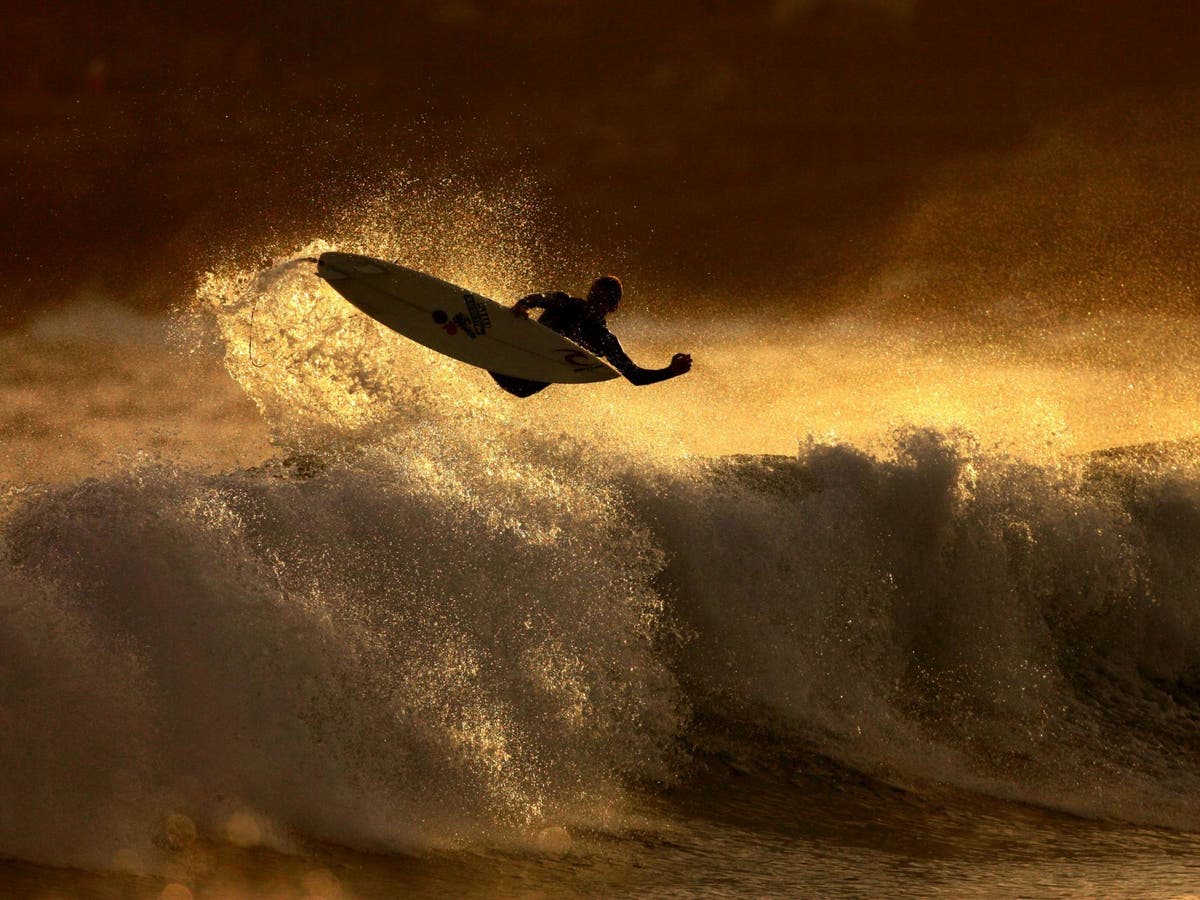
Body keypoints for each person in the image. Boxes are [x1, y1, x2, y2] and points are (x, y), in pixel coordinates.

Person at [490, 275, 692, 397]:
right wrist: (523, 304)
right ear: (589, 294)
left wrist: (671, 371)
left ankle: (490, 353)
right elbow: (540, 298)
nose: (597, 302)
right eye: (595, 296)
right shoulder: (566, 303)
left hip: (526, 385)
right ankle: (488, 349)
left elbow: (635, 376)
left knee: (521, 389)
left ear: (613, 307)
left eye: (604, 300)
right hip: (513, 359)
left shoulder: (604, 340)